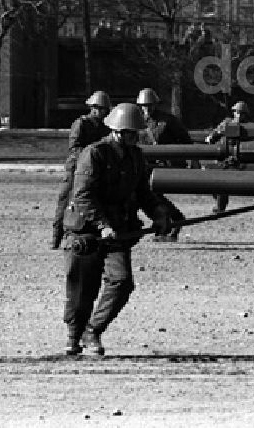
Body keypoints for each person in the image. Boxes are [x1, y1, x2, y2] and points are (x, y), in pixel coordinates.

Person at [60, 103, 172, 356]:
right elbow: (83, 195)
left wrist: (158, 214)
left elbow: (143, 192)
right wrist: (102, 225)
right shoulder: (94, 154)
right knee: (81, 289)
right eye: (130, 133)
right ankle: (73, 336)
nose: (134, 138)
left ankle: (93, 330)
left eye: (136, 134)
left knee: (121, 282)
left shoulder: (135, 156)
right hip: (86, 231)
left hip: (118, 231)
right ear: (117, 131)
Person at [52, 91, 112, 249]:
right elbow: (74, 147)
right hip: (76, 168)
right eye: (97, 108)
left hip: (95, 170)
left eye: (103, 109)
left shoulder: (106, 127)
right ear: (92, 108)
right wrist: (90, 155)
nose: (100, 111)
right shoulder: (81, 124)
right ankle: (56, 237)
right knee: (64, 201)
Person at [136, 88, 189, 241]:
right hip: (144, 165)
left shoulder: (168, 120)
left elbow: (185, 140)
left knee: (152, 194)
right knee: (149, 196)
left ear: (155, 104)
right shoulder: (137, 121)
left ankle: (170, 223)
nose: (147, 107)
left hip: (163, 165)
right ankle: (171, 222)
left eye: (150, 104)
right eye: (144, 105)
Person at [206, 101, 250, 213]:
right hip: (225, 160)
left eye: (242, 113)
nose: (239, 115)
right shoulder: (226, 123)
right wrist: (211, 138)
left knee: (222, 179)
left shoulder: (248, 128)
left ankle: (220, 206)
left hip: (241, 162)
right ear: (234, 112)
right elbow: (213, 136)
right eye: (237, 112)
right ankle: (220, 202)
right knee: (209, 174)